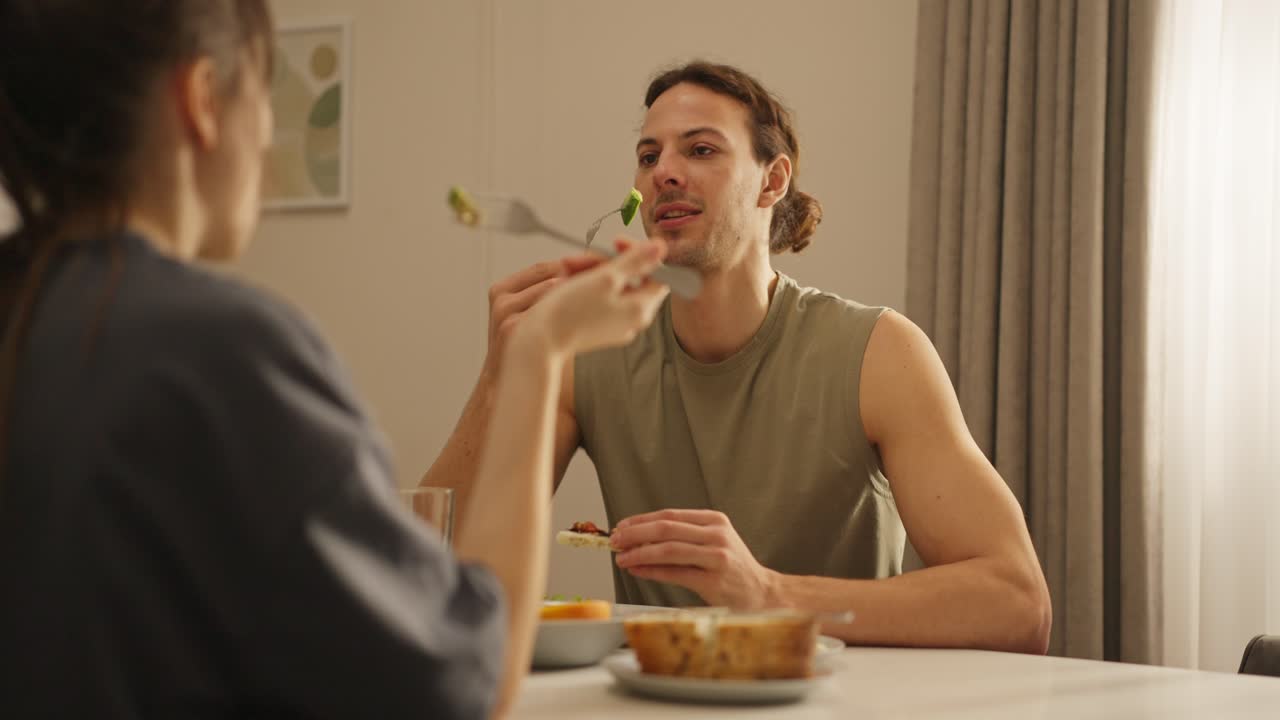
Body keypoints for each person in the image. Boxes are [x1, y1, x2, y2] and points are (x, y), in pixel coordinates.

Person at [0, 1, 669, 717]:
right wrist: (539, 354)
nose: (265, 149)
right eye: (265, 93)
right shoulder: (224, 350)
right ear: (200, 100)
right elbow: (464, 679)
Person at [422, 61, 1053, 654]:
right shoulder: (587, 353)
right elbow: (415, 571)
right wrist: (501, 373)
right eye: (649, 156)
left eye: (699, 149)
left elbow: (1018, 604)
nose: (664, 171)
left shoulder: (879, 353)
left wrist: (768, 594)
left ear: (772, 181)